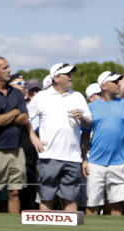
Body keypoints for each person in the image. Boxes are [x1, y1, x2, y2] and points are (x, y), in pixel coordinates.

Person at [28, 63, 91, 212]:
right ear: (56, 77)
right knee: (47, 198)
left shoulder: (77, 96)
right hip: (49, 155)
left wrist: (82, 118)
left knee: (70, 198)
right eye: (67, 74)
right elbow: (25, 118)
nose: (71, 77)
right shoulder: (42, 97)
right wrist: (33, 137)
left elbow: (89, 124)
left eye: (71, 74)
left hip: (73, 157)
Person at [83, 70, 124, 216]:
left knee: (116, 203)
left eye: (118, 81)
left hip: (119, 162)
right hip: (96, 161)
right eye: (114, 82)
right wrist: (84, 159)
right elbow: (84, 136)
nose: (118, 84)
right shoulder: (91, 107)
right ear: (104, 86)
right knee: (93, 203)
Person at [0, 56, 29, 214]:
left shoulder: (16, 94)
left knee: (15, 191)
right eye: (5, 68)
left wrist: (4, 117)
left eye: (9, 67)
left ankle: (14, 228)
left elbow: (24, 118)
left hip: (16, 149)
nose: (9, 70)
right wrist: (15, 112)